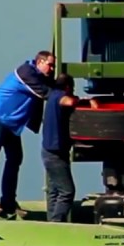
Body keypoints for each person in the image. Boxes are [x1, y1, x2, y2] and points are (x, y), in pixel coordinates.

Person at [0, 51, 56, 216]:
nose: (52, 69)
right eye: (50, 65)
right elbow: (46, 92)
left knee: (15, 158)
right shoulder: (26, 72)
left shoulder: (39, 75)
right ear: (40, 62)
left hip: (12, 123)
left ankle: (8, 200)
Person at [40, 74, 97, 222]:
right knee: (67, 191)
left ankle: (51, 222)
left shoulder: (51, 96)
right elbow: (69, 101)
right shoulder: (59, 96)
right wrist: (87, 101)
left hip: (49, 152)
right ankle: (57, 221)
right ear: (67, 87)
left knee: (54, 191)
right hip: (55, 154)